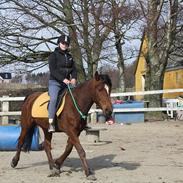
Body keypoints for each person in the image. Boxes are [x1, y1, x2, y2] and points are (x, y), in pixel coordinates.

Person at [48, 34, 77, 132]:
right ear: (59, 43)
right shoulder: (53, 56)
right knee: (54, 99)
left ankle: (80, 121)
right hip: (55, 82)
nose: (64, 45)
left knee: (78, 96)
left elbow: (74, 69)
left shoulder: (70, 57)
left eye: (66, 43)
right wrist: (63, 79)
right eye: (63, 43)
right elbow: (53, 71)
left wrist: (73, 78)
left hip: (67, 83)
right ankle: (51, 123)